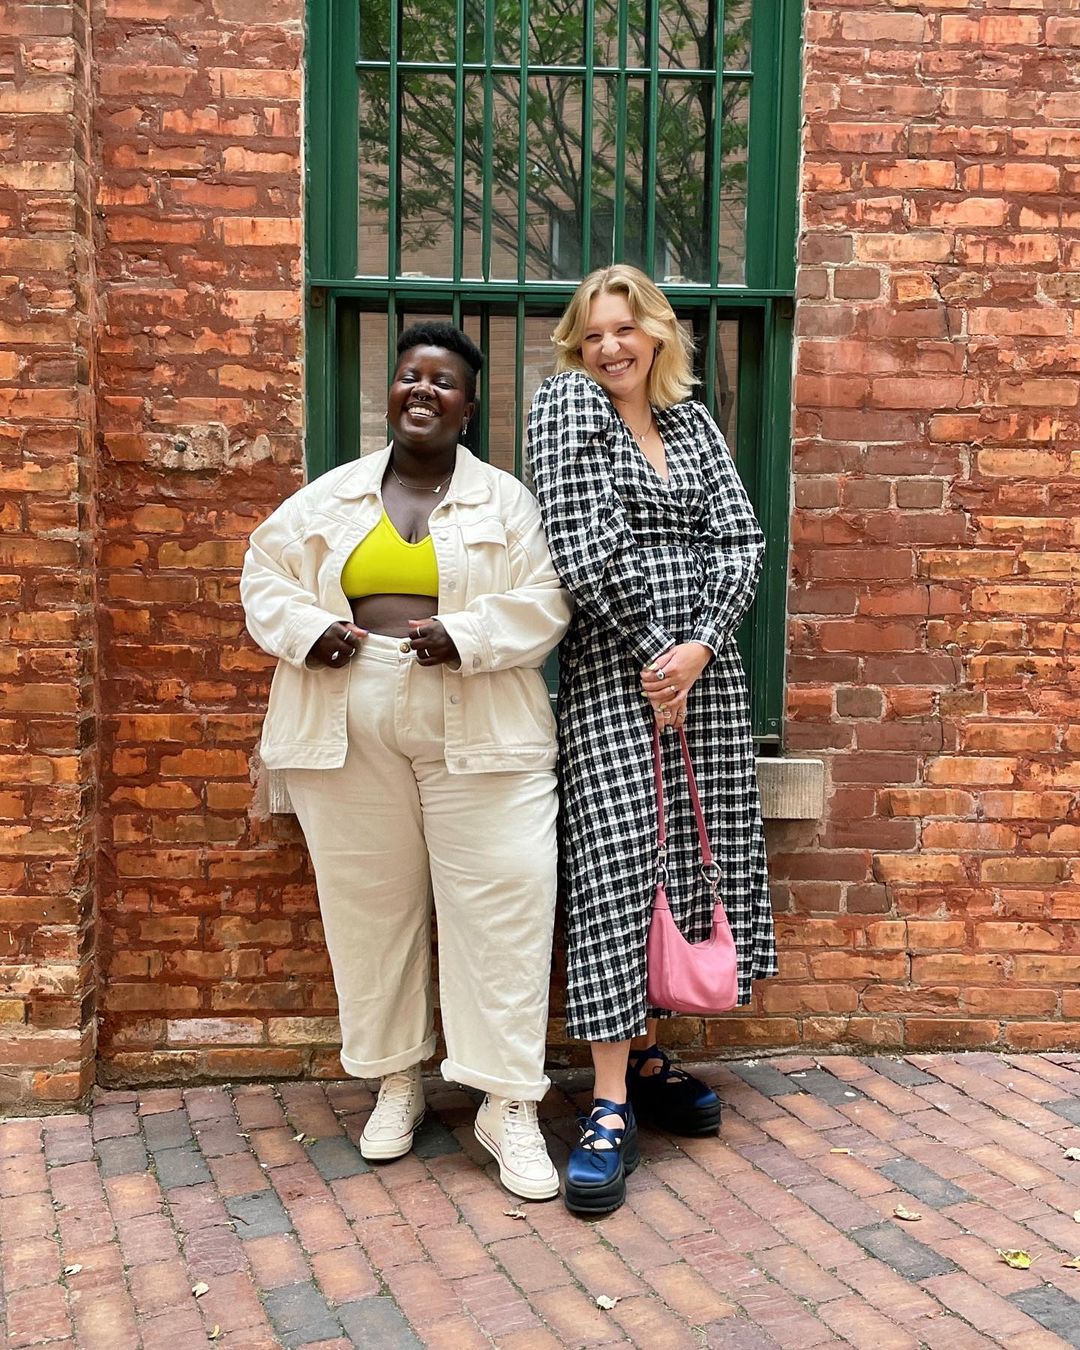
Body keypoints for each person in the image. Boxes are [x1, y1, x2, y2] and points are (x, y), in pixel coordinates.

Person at [241, 323, 572, 1201]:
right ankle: (396, 1079)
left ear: (469, 406)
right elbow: (262, 575)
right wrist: (309, 631)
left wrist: (467, 634)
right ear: (391, 394)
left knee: (506, 904)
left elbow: (549, 599)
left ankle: (508, 1101)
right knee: (368, 907)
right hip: (346, 713)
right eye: (409, 375)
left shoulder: (508, 503)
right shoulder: (330, 497)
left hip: (482, 713)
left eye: (443, 381)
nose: (423, 389)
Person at [527, 265, 776, 1215]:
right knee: (617, 861)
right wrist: (653, 654)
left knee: (684, 859)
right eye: (592, 333)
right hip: (615, 675)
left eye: (625, 329)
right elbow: (583, 544)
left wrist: (700, 647)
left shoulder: (694, 425)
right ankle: (608, 1103)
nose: (610, 347)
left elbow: (742, 542)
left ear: (658, 335)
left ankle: (647, 1052)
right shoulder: (565, 409)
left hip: (704, 680)